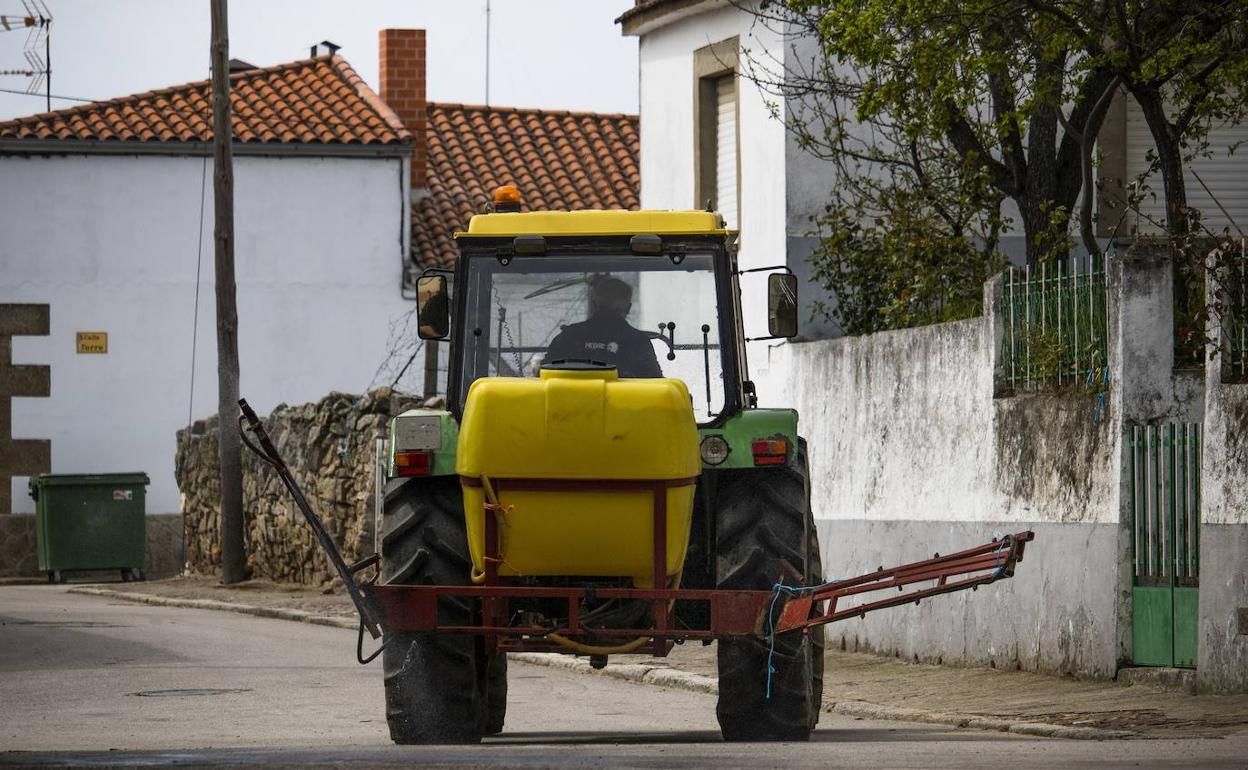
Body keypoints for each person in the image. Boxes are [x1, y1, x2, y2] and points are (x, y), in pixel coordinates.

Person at [545, 277, 663, 378]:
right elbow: (656, 385)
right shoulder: (638, 342)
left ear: (595, 305)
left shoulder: (568, 337)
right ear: (628, 308)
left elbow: (543, 375)